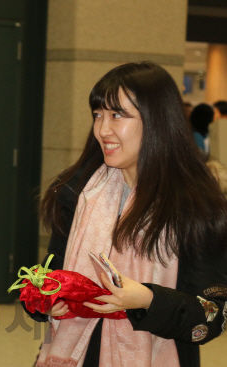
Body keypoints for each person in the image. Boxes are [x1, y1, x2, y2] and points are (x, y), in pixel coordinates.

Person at [31, 62, 227, 367]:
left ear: (156, 121)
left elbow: (212, 317)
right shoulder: (78, 192)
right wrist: (43, 299)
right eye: (98, 115)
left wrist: (147, 300)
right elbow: (48, 274)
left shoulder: (195, 206)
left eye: (117, 116)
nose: (102, 129)